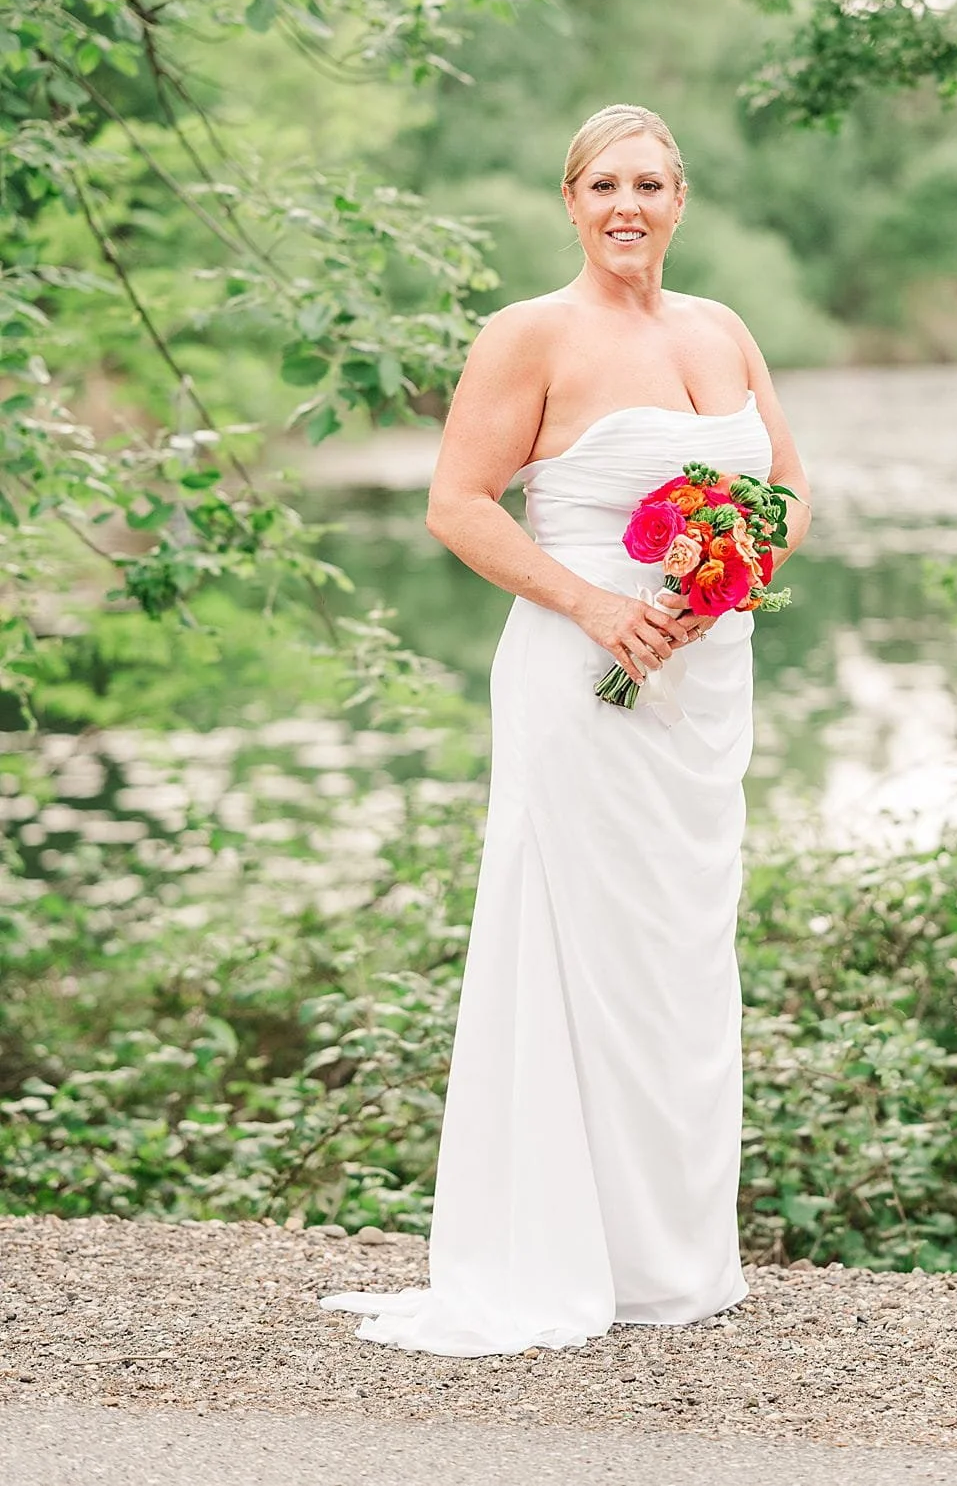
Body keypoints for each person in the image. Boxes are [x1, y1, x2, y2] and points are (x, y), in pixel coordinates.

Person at [323, 103, 809, 1356]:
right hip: (579, 666)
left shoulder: (724, 329)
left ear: (681, 200)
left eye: (649, 182)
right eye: (603, 185)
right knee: (584, 942)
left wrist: (726, 581)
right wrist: (597, 603)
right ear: (571, 201)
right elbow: (457, 504)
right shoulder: (527, 334)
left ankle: (670, 1259)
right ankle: (561, 1249)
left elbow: (789, 492)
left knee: (680, 949)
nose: (627, 206)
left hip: (704, 676)